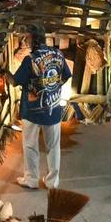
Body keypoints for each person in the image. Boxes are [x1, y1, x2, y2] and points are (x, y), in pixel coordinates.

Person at [9, 25, 71, 190]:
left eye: (26, 37)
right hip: (53, 108)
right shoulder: (58, 54)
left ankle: (31, 179)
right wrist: (52, 89)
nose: (25, 40)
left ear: (32, 39)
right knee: (53, 146)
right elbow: (65, 76)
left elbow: (15, 81)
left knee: (30, 145)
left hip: (33, 110)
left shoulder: (31, 59)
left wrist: (3, 72)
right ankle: (52, 182)